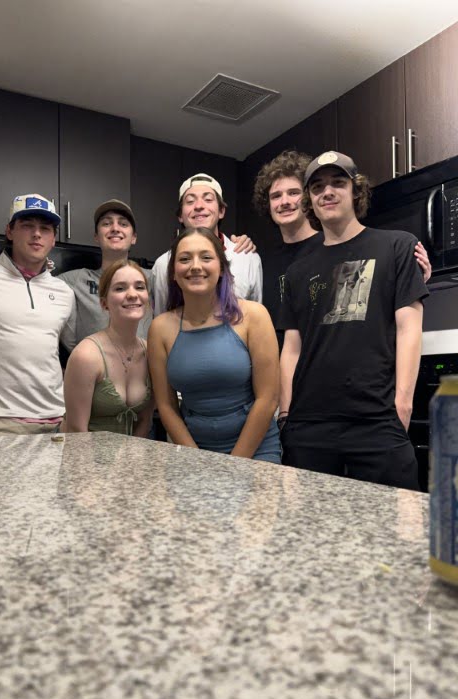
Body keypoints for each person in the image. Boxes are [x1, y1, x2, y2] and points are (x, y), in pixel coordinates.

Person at [278, 150, 429, 489]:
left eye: (337, 183)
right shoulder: (297, 271)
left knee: (393, 529)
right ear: (310, 201)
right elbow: (291, 348)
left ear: (356, 191)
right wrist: (286, 416)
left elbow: (408, 328)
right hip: (309, 425)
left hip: (376, 420)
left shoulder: (397, 247)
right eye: (317, 187)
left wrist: (402, 405)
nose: (327, 192)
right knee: (310, 530)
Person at [252, 150, 432, 343]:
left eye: (293, 193)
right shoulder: (260, 262)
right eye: (276, 196)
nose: (285, 202)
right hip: (287, 368)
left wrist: (406, 276)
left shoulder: (341, 244)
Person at [148, 226, 280, 462]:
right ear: (173, 273)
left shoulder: (254, 317)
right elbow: (166, 405)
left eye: (206, 257)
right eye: (185, 259)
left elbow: (268, 399)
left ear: (221, 268)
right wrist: (198, 461)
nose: (195, 266)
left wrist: (233, 464)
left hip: (255, 450)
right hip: (194, 451)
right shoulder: (160, 329)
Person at [0, 194, 74, 435]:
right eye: (27, 225)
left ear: (53, 239)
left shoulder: (63, 292)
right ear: (9, 231)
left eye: (45, 228)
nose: (37, 234)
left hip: (58, 420)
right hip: (1, 421)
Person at [61, 259, 154, 436]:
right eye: (120, 288)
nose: (132, 294)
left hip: (131, 459)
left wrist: (131, 463)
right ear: (104, 303)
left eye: (139, 287)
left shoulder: (151, 353)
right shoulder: (87, 356)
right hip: (85, 457)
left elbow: (145, 420)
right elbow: (76, 431)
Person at [150, 173, 262, 315]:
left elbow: (256, 318)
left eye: (208, 199)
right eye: (190, 201)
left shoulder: (247, 258)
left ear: (221, 211)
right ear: (180, 216)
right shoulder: (163, 265)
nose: (199, 206)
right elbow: (162, 319)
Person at [58, 200, 151, 351]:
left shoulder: (151, 278)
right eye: (106, 224)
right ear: (96, 236)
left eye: (123, 224)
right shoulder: (74, 280)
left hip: (144, 368)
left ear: (133, 237)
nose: (115, 228)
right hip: (96, 369)